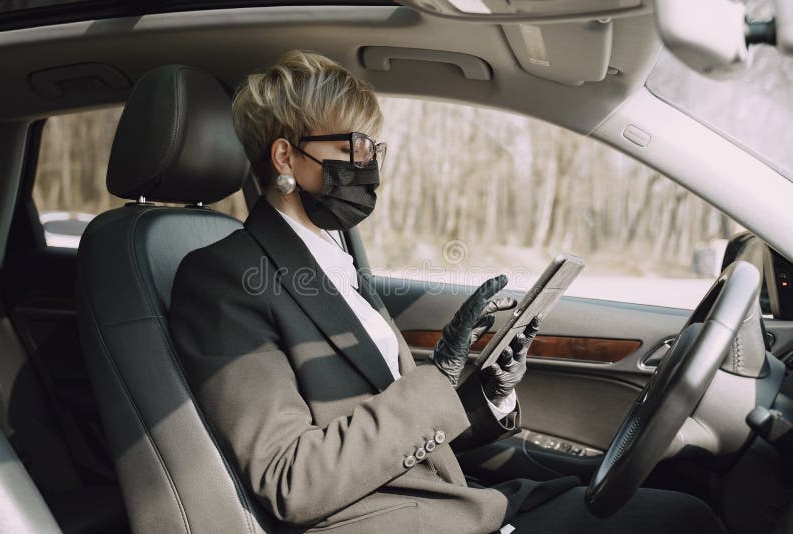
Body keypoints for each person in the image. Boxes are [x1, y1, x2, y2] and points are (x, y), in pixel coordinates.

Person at [168, 50, 726, 533]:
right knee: (684, 522)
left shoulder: (333, 252)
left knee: (681, 507)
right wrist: (439, 378)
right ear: (286, 156)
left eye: (373, 150)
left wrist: (488, 393)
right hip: (404, 521)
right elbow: (292, 480)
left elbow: (393, 418)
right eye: (352, 148)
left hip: (452, 498)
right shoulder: (223, 277)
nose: (368, 165)